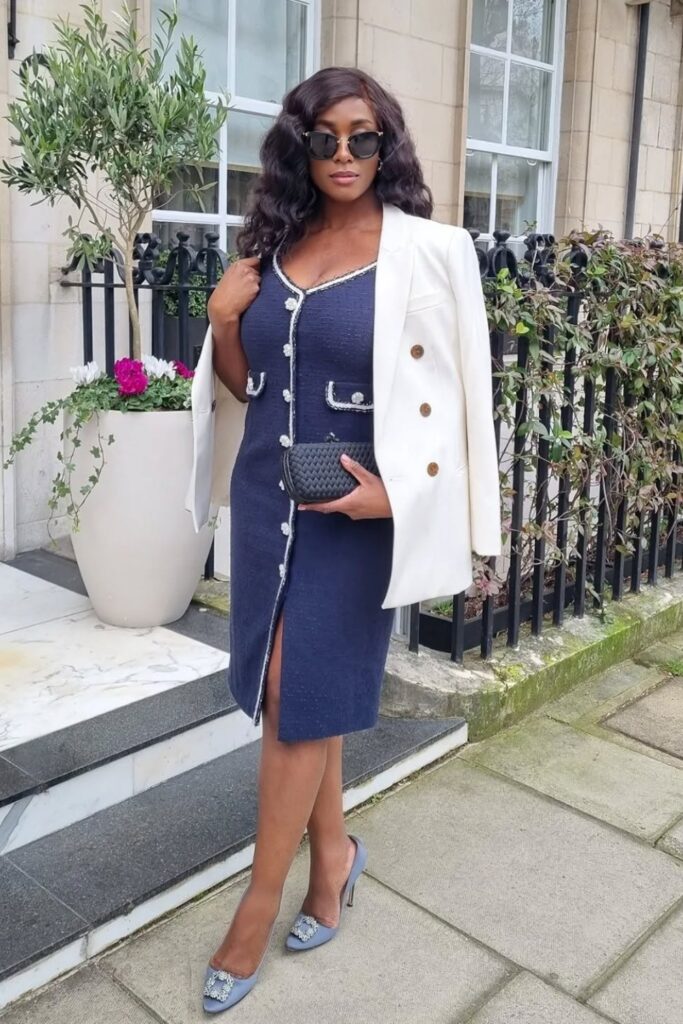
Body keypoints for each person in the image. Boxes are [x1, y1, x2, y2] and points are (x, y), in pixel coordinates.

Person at [186, 65, 502, 1014]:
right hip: (269, 501)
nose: (343, 154)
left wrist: (400, 498)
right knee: (299, 695)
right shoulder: (274, 245)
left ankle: (256, 906)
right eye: (323, 137)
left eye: (362, 137)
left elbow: (465, 401)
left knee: (293, 687)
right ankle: (333, 857)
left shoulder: (432, 252)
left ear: (385, 144)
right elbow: (247, 386)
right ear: (300, 146)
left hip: (355, 514)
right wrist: (222, 320)